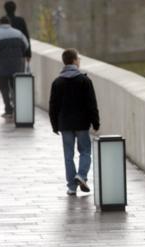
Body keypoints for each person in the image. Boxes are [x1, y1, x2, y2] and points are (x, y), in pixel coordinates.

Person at [49, 48, 100, 196]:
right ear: (74, 61)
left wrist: (54, 125)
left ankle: (71, 186)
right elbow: (92, 104)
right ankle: (81, 175)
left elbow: (53, 106)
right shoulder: (84, 81)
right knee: (85, 151)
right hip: (82, 124)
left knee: (68, 155)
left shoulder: (57, 82)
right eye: (78, 58)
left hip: (65, 124)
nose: (79, 61)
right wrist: (95, 122)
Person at [0, 16, 28, 118]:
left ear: (0, 24)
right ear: (9, 23)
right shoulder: (19, 33)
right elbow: (26, 45)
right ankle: (18, 109)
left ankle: (8, 109)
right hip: (18, 66)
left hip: (2, 67)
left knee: (3, 87)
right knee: (16, 88)